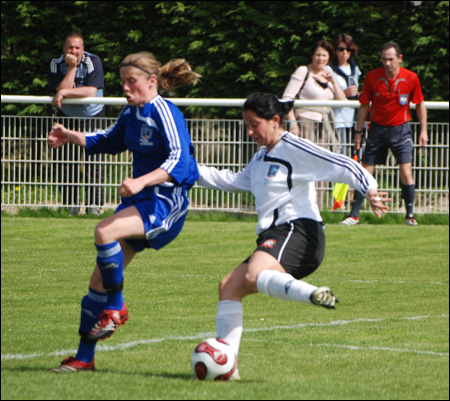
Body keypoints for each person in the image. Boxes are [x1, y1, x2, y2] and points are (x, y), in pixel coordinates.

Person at [197, 93, 389, 379]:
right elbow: (234, 181)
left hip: (299, 230)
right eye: (246, 125)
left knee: (253, 274)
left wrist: (370, 189)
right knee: (229, 287)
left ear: (275, 121)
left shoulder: (293, 147)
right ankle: (228, 369)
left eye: (254, 124)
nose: (250, 132)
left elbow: (342, 164)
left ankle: (311, 292)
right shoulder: (261, 156)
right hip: (276, 235)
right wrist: (188, 171)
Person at [49, 51, 201, 372]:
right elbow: (105, 140)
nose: (126, 89)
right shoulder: (131, 114)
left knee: (104, 231)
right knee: (96, 285)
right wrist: (70, 136)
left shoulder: (166, 112)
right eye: (123, 83)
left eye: (132, 83)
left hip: (165, 202)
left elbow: (179, 162)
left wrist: (139, 181)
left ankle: (118, 307)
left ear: (152, 81)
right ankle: (84, 358)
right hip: (140, 202)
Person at [340, 41, 428, 226]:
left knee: (405, 171)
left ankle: (410, 215)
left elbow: (420, 104)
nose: (387, 63)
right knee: (365, 171)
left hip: (401, 129)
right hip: (377, 129)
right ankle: (354, 215)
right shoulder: (373, 77)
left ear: (400, 59)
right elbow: (364, 105)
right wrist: (358, 132)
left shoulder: (411, 78)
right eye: (384, 59)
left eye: (391, 59)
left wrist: (423, 130)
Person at [282, 40, 346, 208]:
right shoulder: (304, 71)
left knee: (323, 164)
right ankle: (300, 205)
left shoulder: (328, 74)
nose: (320, 58)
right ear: (312, 55)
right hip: (306, 121)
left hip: (325, 125)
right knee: (305, 163)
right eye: (318, 54)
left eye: (324, 55)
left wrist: (333, 81)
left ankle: (318, 207)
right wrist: (293, 124)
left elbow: (341, 100)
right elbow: (287, 98)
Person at [49, 32, 106, 215]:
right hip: (68, 117)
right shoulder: (56, 63)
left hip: (93, 116)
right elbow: (60, 88)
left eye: (77, 47)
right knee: (66, 162)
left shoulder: (93, 61)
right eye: (70, 47)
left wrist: (65, 93)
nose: (74, 51)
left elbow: (91, 90)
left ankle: (94, 208)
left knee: (95, 162)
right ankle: (70, 206)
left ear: (83, 49)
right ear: (64, 48)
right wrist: (72, 68)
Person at [328, 33, 362, 157]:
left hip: (353, 118)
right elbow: (328, 94)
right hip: (338, 119)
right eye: (341, 49)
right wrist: (344, 93)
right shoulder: (330, 69)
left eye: (348, 49)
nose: (345, 53)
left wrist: (357, 93)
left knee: (354, 154)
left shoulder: (354, 68)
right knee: (339, 154)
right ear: (335, 51)